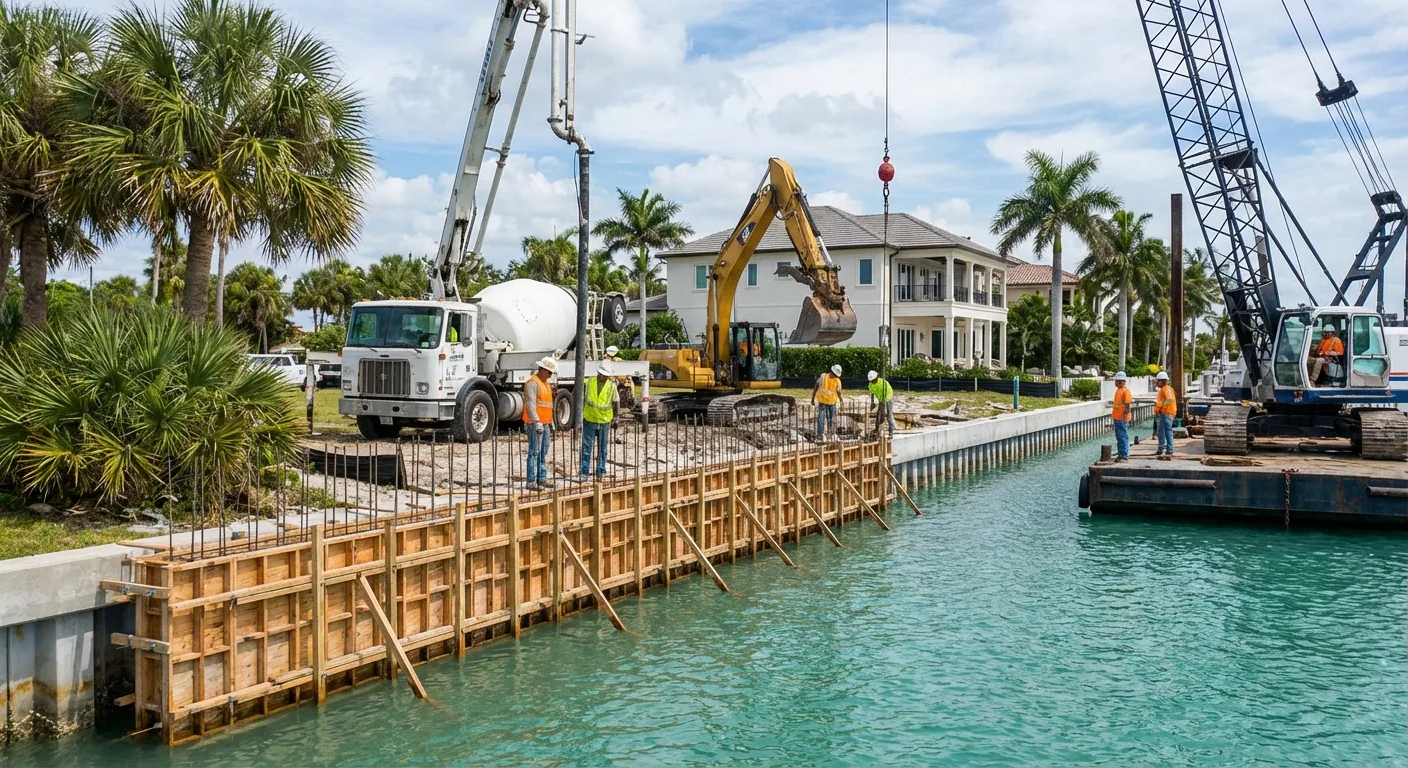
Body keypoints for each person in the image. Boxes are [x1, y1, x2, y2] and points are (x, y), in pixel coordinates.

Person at [523, 358, 556, 490]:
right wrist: (536, 421)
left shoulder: (546, 384)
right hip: (535, 424)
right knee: (534, 452)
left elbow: (548, 405)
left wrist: (551, 422)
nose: (550, 375)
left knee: (543, 452)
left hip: (546, 423)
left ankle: (541, 478)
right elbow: (530, 404)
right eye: (549, 372)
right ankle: (531, 480)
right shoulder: (532, 383)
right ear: (542, 370)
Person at [581, 363, 617, 479]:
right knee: (586, 447)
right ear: (599, 373)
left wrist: (616, 418)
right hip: (590, 419)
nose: (605, 377)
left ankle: (601, 471)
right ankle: (584, 472)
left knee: (602, 448)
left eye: (607, 376)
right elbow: (582, 398)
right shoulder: (589, 382)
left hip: (604, 421)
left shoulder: (612, 386)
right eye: (603, 375)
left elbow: (616, 403)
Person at [812, 364, 843, 438]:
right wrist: (841, 400)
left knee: (825, 417)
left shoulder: (823, 377)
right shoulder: (836, 380)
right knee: (828, 417)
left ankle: (824, 433)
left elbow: (815, 388)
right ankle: (828, 433)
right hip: (827, 402)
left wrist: (812, 399)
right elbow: (815, 388)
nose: (835, 376)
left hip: (827, 401)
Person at [1111, 371, 1133, 462]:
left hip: (1121, 418)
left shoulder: (1125, 391)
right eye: (1117, 381)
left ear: (1124, 382)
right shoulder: (1118, 391)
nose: (1118, 383)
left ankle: (1124, 455)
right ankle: (1121, 454)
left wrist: (1124, 416)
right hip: (1117, 417)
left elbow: (1127, 405)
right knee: (1119, 436)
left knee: (1122, 436)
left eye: (1120, 381)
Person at [1154, 370, 1176, 459]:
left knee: (1165, 431)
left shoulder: (1166, 389)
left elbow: (1169, 400)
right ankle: (1162, 448)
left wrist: (1161, 408)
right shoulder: (1167, 389)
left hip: (1166, 413)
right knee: (1162, 431)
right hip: (1166, 412)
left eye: (1158, 380)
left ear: (1162, 381)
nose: (1156, 382)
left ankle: (1168, 449)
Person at [867, 369, 896, 435]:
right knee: (879, 413)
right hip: (881, 399)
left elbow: (886, 393)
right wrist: (872, 402)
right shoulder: (870, 385)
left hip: (888, 397)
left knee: (888, 413)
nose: (872, 381)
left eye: (873, 380)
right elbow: (872, 393)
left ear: (877, 377)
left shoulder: (883, 383)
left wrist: (883, 404)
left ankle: (892, 429)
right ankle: (877, 428)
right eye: (871, 381)